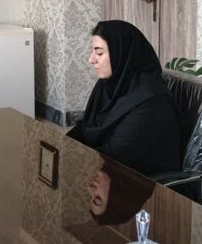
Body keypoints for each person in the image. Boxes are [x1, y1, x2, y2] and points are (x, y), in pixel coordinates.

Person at [66, 20, 182, 176]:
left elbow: (113, 156)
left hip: (140, 182)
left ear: (122, 54)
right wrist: (62, 146)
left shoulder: (151, 103)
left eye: (99, 53)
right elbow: (86, 127)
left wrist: (73, 159)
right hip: (109, 172)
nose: (91, 59)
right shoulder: (108, 85)